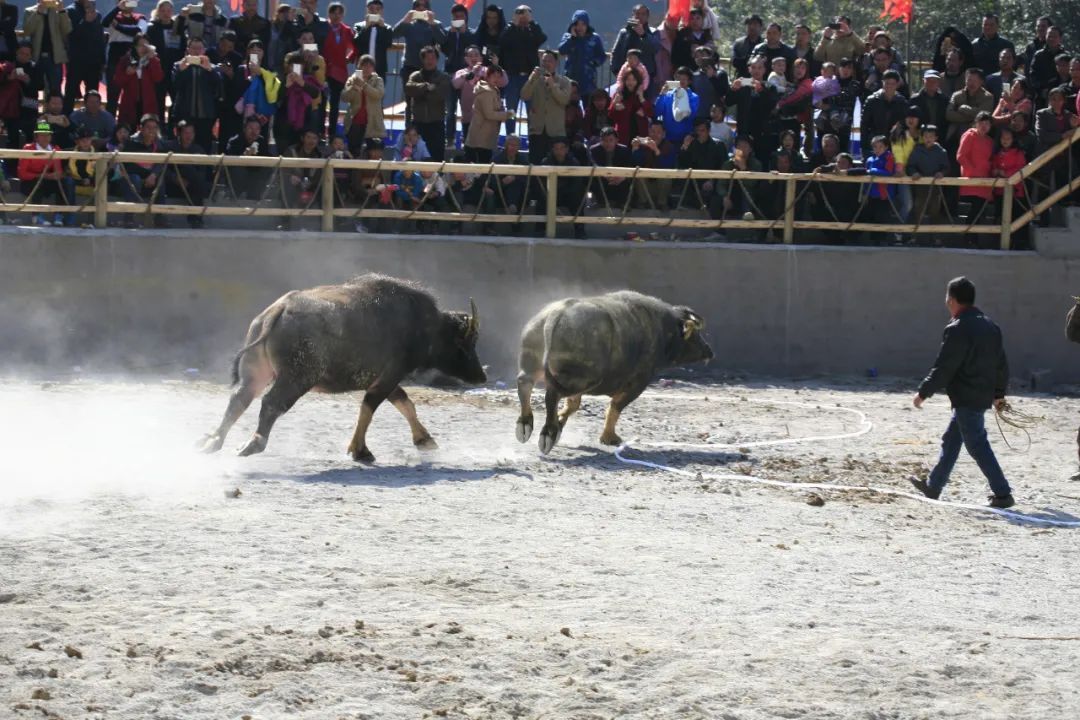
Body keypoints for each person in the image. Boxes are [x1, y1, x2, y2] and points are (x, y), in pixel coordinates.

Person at [910, 277, 1014, 510]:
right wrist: (998, 394)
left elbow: (945, 366)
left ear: (952, 299)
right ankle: (934, 486)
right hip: (978, 395)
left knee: (977, 444)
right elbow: (1002, 364)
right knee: (952, 439)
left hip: (967, 397)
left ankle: (1003, 493)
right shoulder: (990, 326)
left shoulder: (957, 328)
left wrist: (923, 393)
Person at [393, 0, 445, 125]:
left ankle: (427, 131)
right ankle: (408, 132)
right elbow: (393, 34)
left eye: (424, 6)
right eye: (418, 6)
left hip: (429, 69)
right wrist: (405, 19)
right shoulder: (408, 24)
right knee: (409, 102)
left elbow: (442, 40)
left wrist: (432, 23)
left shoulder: (435, 24)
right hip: (409, 67)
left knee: (430, 101)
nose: (421, 8)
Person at [499, 5, 545, 135]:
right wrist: (514, 24)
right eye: (519, 12)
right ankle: (510, 136)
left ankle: (532, 139)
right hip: (512, 76)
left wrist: (531, 22)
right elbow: (502, 41)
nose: (522, 15)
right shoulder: (509, 29)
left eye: (525, 13)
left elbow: (541, 38)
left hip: (529, 78)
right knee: (511, 110)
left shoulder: (533, 30)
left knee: (532, 110)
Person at [725, 56, 779, 165]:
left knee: (762, 161)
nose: (756, 71)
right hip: (744, 132)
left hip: (762, 133)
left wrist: (761, 90)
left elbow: (772, 105)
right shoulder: (742, 85)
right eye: (753, 67)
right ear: (749, 69)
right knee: (741, 162)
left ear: (764, 70)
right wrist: (733, 89)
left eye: (759, 68)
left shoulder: (770, 87)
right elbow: (728, 102)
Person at [172, 37, 222, 152]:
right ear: (188, 50)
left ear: (204, 50)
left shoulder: (212, 67)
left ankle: (205, 170)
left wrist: (209, 70)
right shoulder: (178, 65)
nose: (196, 51)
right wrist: (181, 70)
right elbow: (175, 86)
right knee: (184, 147)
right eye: (193, 48)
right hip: (185, 115)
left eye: (199, 48)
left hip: (205, 117)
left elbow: (218, 87)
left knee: (204, 148)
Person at [521, 49, 570, 164]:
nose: (546, 63)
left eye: (550, 61)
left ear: (556, 63)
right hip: (537, 129)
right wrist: (531, 79)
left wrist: (553, 85)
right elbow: (524, 95)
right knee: (535, 164)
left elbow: (564, 100)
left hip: (555, 131)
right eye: (544, 61)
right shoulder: (535, 80)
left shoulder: (564, 81)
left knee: (555, 165)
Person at [404, 45, 450, 161]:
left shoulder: (443, 77)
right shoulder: (415, 76)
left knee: (436, 155)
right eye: (427, 58)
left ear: (437, 60)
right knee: (416, 155)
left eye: (433, 58)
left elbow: (440, 94)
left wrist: (421, 93)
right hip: (418, 123)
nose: (430, 61)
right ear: (423, 59)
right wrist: (426, 87)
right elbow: (409, 88)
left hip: (436, 122)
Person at [18, 120, 67, 226]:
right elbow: (22, 174)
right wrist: (41, 176)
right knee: (37, 182)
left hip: (47, 181)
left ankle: (59, 214)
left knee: (64, 182)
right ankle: (37, 216)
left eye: (48, 135)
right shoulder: (28, 149)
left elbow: (58, 171)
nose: (46, 137)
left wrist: (56, 175)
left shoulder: (55, 149)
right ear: (36, 137)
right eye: (42, 135)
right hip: (29, 183)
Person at [103, 0, 147, 114]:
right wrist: (118, 8)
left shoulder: (140, 17)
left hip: (132, 59)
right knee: (113, 95)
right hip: (114, 59)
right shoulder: (114, 16)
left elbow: (137, 31)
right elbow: (104, 23)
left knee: (133, 95)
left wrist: (118, 26)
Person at [452, 46, 504, 144]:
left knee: (486, 148)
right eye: (470, 55)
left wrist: (496, 66)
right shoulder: (461, 72)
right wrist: (472, 72)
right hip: (469, 118)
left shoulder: (489, 71)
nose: (473, 58)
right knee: (469, 147)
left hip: (488, 118)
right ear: (465, 59)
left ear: (481, 57)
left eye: (476, 55)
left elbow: (504, 82)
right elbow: (455, 84)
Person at [146, 0, 186, 125]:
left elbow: (183, 45)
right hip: (159, 69)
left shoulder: (178, 26)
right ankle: (160, 126)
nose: (166, 13)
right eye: (163, 11)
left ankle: (174, 126)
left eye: (168, 10)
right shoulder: (152, 27)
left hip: (174, 69)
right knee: (159, 100)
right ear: (158, 12)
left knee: (176, 100)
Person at [21, 0, 72, 98]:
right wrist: (38, 13)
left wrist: (61, 11)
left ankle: (54, 112)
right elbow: (27, 30)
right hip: (36, 57)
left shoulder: (59, 11)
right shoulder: (30, 11)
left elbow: (67, 29)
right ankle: (33, 111)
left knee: (55, 89)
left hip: (55, 57)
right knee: (33, 86)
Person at [440, 3, 475, 144]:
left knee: (467, 108)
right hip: (450, 73)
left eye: (461, 16)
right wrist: (453, 34)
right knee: (450, 109)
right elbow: (445, 49)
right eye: (455, 17)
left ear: (466, 18)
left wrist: (464, 33)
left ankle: (467, 138)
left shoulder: (471, 33)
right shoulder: (448, 32)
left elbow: (473, 49)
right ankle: (449, 138)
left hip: (466, 75)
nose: (458, 19)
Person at [537, 136, 584, 238]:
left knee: (578, 199)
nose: (559, 151)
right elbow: (542, 184)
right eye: (556, 148)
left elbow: (576, 184)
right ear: (553, 150)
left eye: (562, 148)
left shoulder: (574, 163)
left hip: (568, 194)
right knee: (541, 200)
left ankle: (580, 230)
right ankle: (540, 230)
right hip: (550, 193)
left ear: (567, 149)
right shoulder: (546, 162)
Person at [956, 112, 995, 234]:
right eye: (981, 123)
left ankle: (974, 238)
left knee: (980, 211)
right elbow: (961, 156)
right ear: (975, 123)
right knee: (975, 210)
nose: (984, 126)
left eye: (987, 123)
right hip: (971, 180)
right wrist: (972, 172)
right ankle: (969, 237)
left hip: (984, 182)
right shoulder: (969, 135)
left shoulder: (990, 141)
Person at [163, 119, 208, 226]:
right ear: (178, 133)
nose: (189, 136)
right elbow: (162, 169)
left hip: (192, 187)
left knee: (196, 180)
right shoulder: (169, 147)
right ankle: (195, 217)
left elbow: (202, 174)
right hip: (172, 185)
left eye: (191, 133)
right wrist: (175, 178)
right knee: (189, 171)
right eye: (186, 133)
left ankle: (195, 218)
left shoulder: (199, 150)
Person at [113, 33, 164, 128]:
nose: (143, 48)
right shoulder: (126, 60)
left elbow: (158, 78)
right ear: (135, 46)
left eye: (146, 45)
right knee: (128, 128)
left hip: (148, 101)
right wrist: (127, 74)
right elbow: (117, 81)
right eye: (140, 45)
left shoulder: (154, 60)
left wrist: (152, 59)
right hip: (130, 101)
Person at [318, 2, 354, 138]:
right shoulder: (323, 27)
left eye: (339, 13)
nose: (336, 15)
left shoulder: (346, 30)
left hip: (339, 71)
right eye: (334, 12)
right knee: (321, 102)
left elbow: (353, 48)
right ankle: (320, 131)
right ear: (329, 14)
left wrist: (349, 58)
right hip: (323, 69)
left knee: (335, 104)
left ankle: (332, 134)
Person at [64, 0, 106, 114]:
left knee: (92, 94)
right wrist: (86, 22)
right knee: (71, 93)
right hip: (76, 60)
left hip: (94, 62)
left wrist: (102, 61)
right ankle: (66, 121)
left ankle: (92, 121)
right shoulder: (70, 11)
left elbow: (100, 39)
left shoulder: (97, 14)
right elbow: (70, 35)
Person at [906, 125, 949, 234]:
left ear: (936, 138)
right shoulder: (917, 150)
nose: (928, 139)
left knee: (935, 212)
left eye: (931, 136)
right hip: (920, 188)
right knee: (917, 211)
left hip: (935, 188)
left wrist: (941, 173)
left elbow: (946, 167)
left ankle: (935, 238)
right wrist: (914, 173)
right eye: (925, 136)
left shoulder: (941, 152)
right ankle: (912, 237)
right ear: (922, 137)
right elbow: (910, 166)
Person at [463, 64, 510, 163]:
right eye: (494, 76)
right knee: (478, 173)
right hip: (479, 140)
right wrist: (506, 114)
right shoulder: (487, 92)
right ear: (487, 77)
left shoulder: (493, 90)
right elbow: (489, 114)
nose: (496, 79)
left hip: (484, 138)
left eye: (499, 76)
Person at [279, 127, 325, 229]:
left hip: (312, 187)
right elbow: (283, 169)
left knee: (325, 192)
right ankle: (285, 223)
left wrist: (312, 183)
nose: (311, 141)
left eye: (314, 138)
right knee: (287, 189)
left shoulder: (320, 154)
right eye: (308, 137)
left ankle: (324, 225)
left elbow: (321, 175)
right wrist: (290, 177)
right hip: (294, 185)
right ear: (302, 138)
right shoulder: (291, 151)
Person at [611, 4, 659, 98]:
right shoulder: (624, 32)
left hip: (645, 78)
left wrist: (643, 35)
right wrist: (617, 72)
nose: (640, 17)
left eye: (643, 14)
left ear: (647, 16)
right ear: (633, 15)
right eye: (637, 14)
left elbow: (655, 48)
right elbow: (615, 53)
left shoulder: (653, 32)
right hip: (626, 77)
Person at [223, 115, 273, 198]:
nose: (254, 132)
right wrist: (244, 156)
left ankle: (255, 198)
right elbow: (229, 163)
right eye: (250, 128)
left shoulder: (261, 141)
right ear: (244, 129)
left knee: (265, 171)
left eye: (257, 129)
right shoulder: (235, 141)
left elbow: (267, 157)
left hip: (255, 175)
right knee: (237, 171)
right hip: (237, 177)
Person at [341, 54, 384, 151]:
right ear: (359, 66)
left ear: (373, 68)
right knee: (354, 150)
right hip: (355, 121)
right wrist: (353, 88)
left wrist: (364, 86)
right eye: (364, 65)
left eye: (370, 66)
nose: (367, 68)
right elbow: (344, 97)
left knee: (373, 151)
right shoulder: (352, 79)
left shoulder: (378, 80)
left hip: (372, 122)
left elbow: (378, 95)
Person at [558, 10, 604, 99]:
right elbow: (561, 50)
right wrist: (572, 38)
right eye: (577, 24)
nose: (580, 27)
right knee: (570, 108)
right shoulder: (567, 36)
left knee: (588, 108)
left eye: (583, 24)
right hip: (571, 79)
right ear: (573, 25)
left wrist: (594, 63)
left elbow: (601, 55)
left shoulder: (595, 38)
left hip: (588, 80)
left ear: (587, 24)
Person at [631, 120, 676, 210]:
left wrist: (656, 150)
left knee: (666, 176)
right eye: (652, 131)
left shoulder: (669, 147)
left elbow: (668, 166)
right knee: (639, 174)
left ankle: (662, 203)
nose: (655, 135)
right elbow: (636, 163)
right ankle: (642, 202)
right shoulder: (643, 144)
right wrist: (635, 148)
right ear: (648, 132)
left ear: (663, 134)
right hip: (646, 185)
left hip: (661, 187)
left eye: (658, 132)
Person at [945, 68, 994, 149]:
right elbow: (949, 114)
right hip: (955, 135)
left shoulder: (988, 97)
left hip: (977, 133)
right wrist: (972, 116)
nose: (971, 83)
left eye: (975, 81)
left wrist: (964, 109)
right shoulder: (957, 95)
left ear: (981, 82)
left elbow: (984, 116)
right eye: (969, 80)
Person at [587, 126, 634, 210]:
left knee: (627, 181)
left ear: (616, 140)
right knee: (594, 180)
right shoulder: (594, 150)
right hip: (602, 177)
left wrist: (622, 177)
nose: (608, 143)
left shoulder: (624, 150)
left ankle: (623, 203)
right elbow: (594, 165)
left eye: (610, 140)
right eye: (604, 140)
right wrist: (605, 175)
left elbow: (629, 166)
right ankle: (601, 202)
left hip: (619, 178)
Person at [654, 66, 697, 146]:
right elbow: (657, 112)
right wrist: (661, 95)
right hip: (667, 138)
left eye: (684, 79)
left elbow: (691, 116)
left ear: (689, 81)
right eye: (678, 78)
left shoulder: (694, 97)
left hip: (684, 138)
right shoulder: (667, 95)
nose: (680, 81)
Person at [608, 68, 651, 147]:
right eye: (628, 79)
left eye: (633, 79)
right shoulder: (619, 94)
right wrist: (614, 103)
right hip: (623, 135)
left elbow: (650, 113)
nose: (630, 82)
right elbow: (611, 115)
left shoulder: (643, 94)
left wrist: (641, 98)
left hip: (640, 133)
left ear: (638, 81)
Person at [352, 0, 392, 80]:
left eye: (378, 9)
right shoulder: (359, 26)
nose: (374, 12)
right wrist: (366, 27)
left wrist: (383, 27)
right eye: (371, 9)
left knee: (378, 91)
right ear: (367, 10)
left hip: (379, 68)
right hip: (361, 67)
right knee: (358, 89)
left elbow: (388, 43)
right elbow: (356, 42)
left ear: (382, 11)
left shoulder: (387, 28)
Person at [670, 8, 712, 74]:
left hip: (704, 72)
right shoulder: (682, 34)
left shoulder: (707, 35)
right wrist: (689, 48)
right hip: (685, 72)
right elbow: (675, 55)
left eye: (698, 18)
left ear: (702, 20)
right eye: (692, 18)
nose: (695, 21)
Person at [730, 14, 763, 79]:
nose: (752, 27)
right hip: (742, 78)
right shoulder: (739, 43)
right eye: (749, 24)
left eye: (755, 24)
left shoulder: (764, 44)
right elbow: (735, 62)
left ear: (760, 27)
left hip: (761, 79)